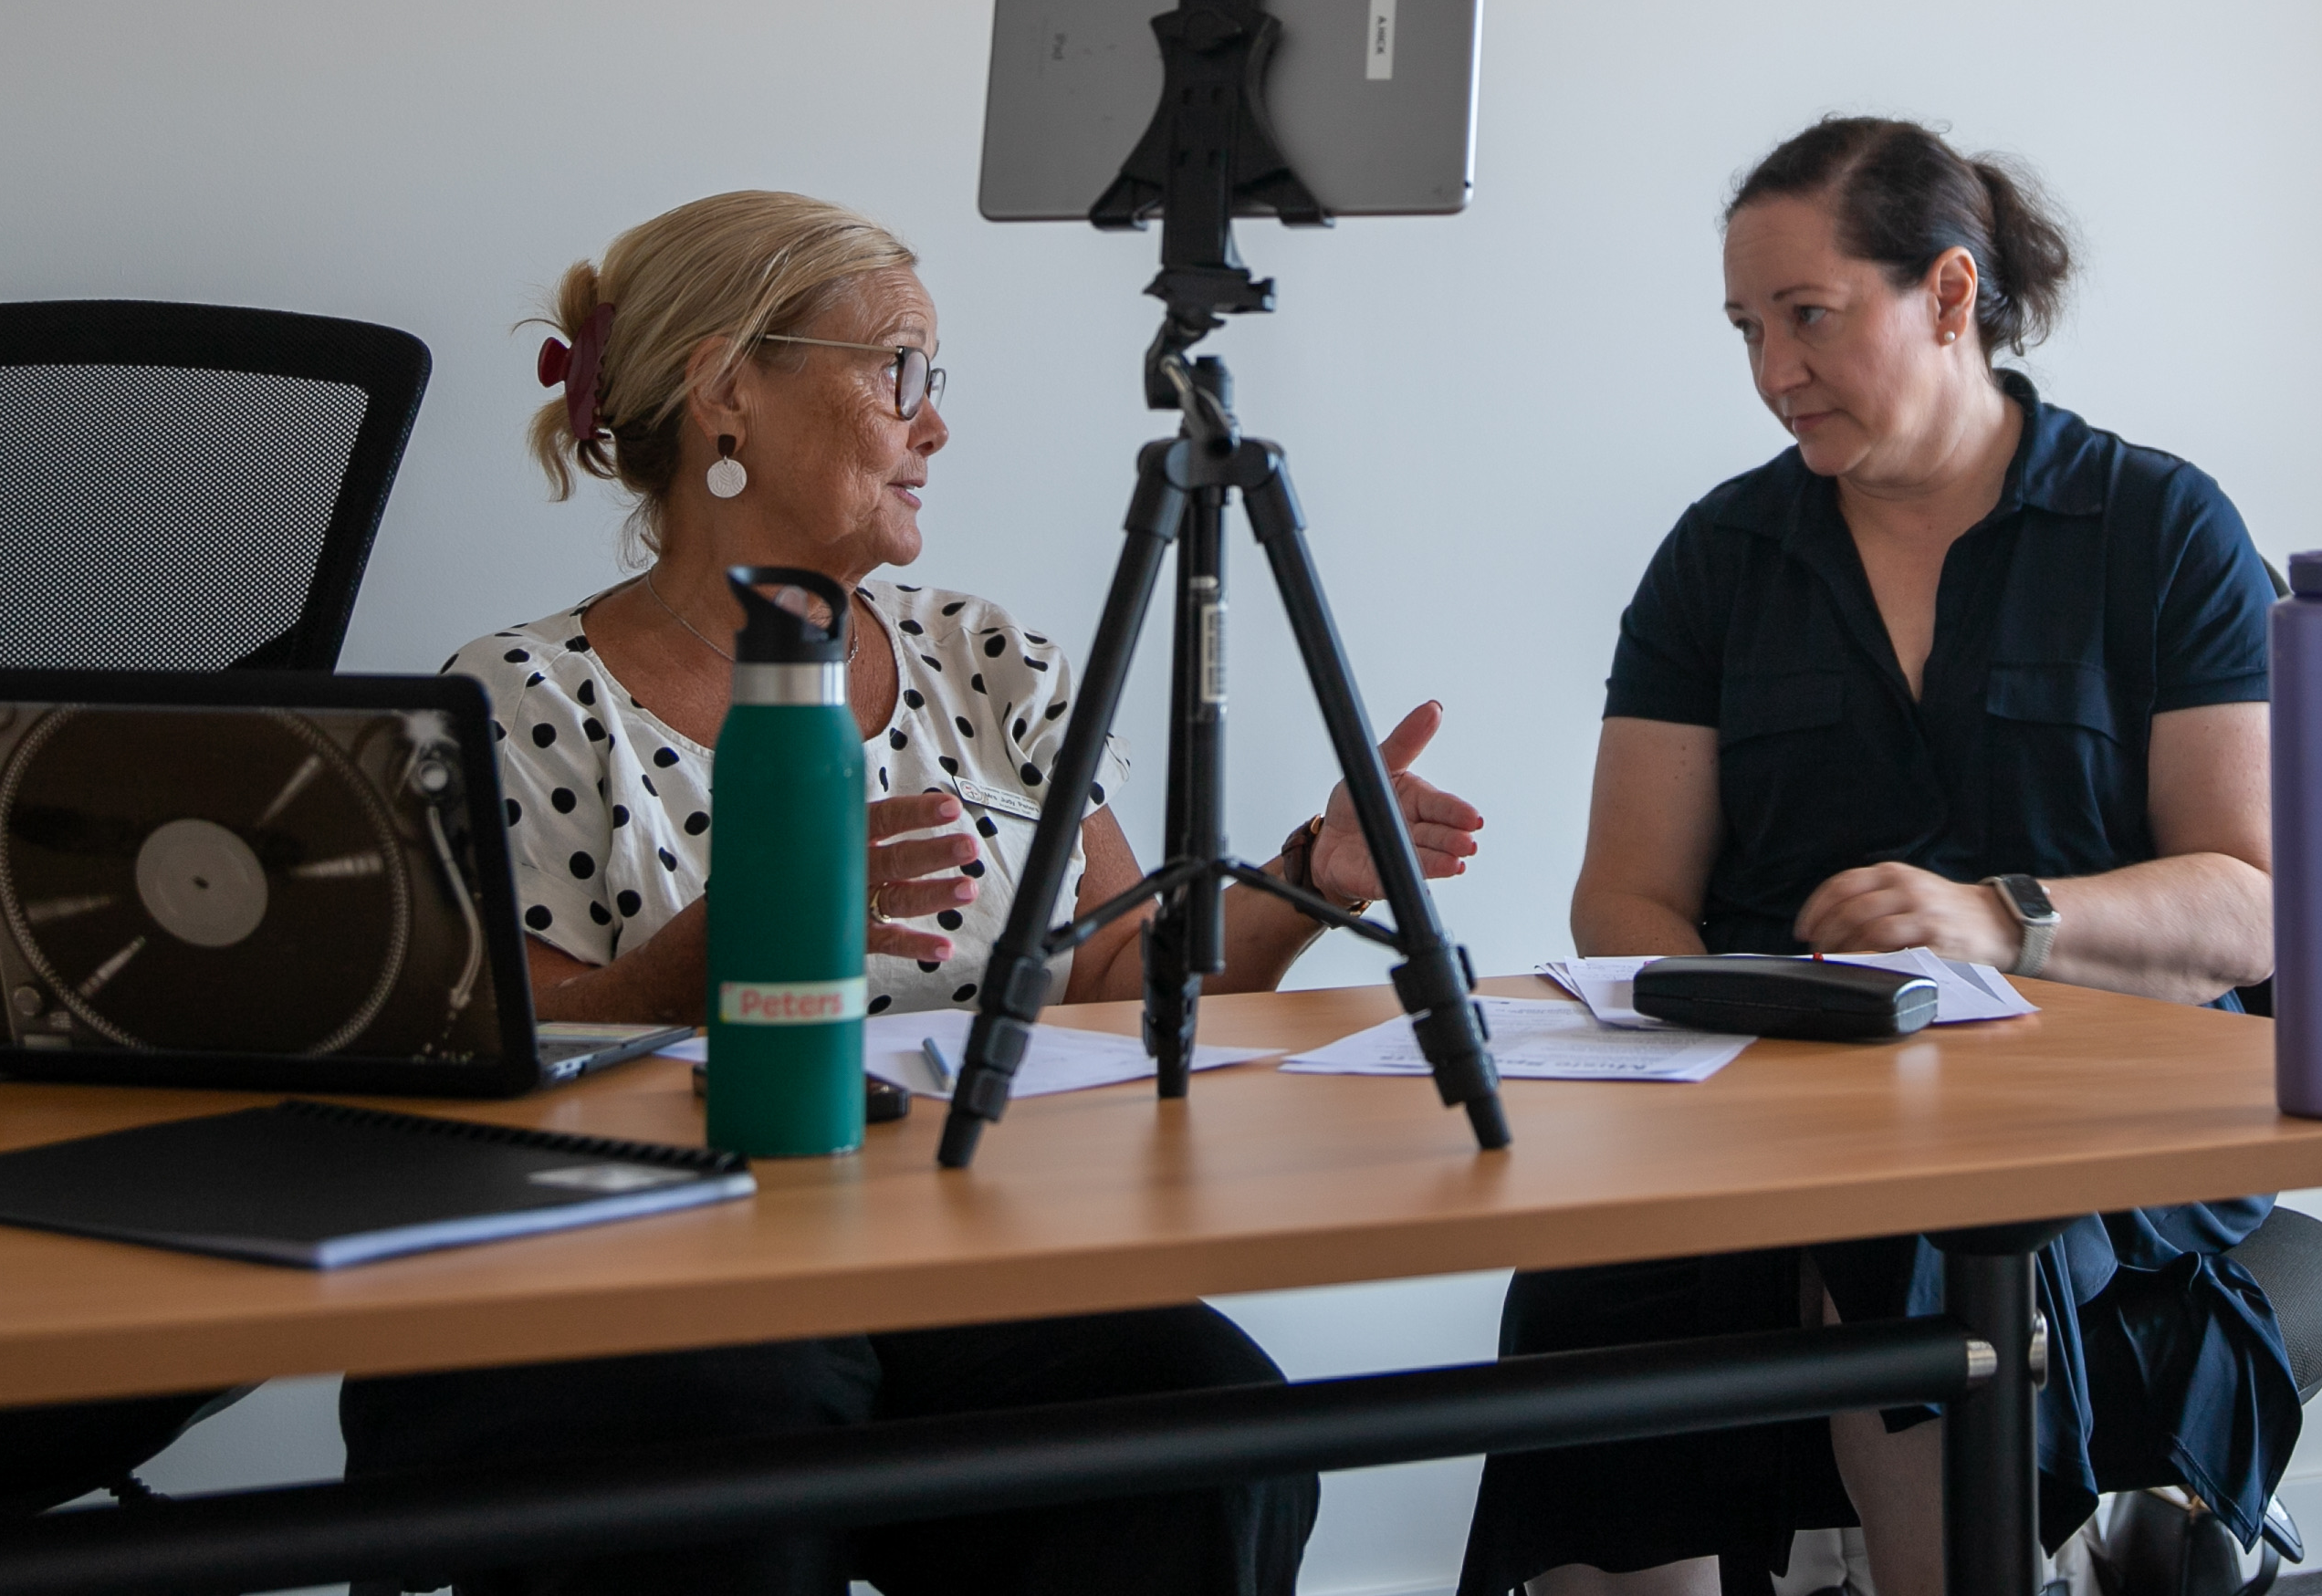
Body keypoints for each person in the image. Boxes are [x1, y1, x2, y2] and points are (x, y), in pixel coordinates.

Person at [341, 189, 1487, 1596]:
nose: (934, 424)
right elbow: (463, 1047)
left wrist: (1311, 879)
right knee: (743, 1435)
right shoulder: (516, 700)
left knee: (1210, 1425)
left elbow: (1124, 980)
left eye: (933, 380)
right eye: (899, 372)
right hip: (651, 1279)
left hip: (962, 1254)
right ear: (727, 394)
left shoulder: (988, 659)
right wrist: (719, 948)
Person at [1459, 118, 2314, 1596]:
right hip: (1775, 1097)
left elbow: (2251, 903)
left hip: (2095, 1113)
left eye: (1809, 316)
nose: (1771, 370)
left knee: (1901, 1241)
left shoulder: (2159, 528)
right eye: (1747, 327)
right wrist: (1730, 1020)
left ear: (1950, 295)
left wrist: (2000, 919)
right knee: (1596, 1283)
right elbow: (1628, 896)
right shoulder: (1721, 556)